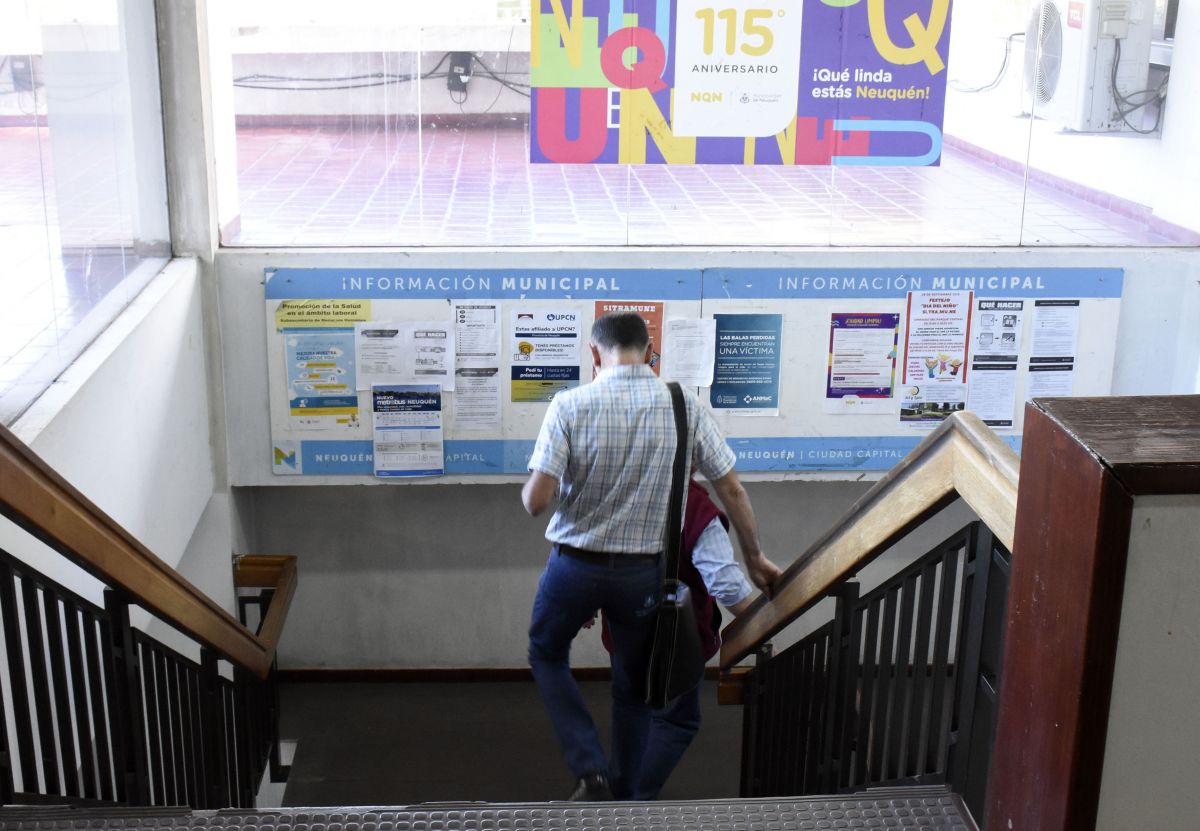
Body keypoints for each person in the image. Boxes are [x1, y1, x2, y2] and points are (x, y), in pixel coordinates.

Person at [521, 312, 781, 802]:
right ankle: (624, 799)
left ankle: (589, 767)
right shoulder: (684, 405)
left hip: (575, 567)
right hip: (643, 574)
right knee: (634, 691)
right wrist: (755, 559)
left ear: (594, 353)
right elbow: (731, 489)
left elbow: (536, 502)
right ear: (649, 352)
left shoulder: (569, 405)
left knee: (546, 652)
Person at [598, 477, 762, 800]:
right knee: (676, 722)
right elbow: (725, 583)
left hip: (622, 629)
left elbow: (590, 549)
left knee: (632, 713)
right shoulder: (694, 505)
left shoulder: (619, 485)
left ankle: (618, 792)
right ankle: (629, 801)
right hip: (674, 640)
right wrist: (766, 623)